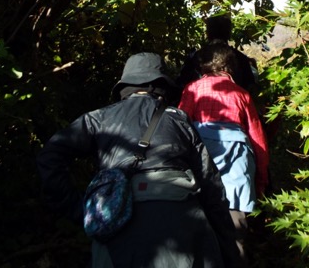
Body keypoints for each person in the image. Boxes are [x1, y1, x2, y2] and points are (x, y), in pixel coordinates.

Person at [37, 52, 241, 268]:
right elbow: (211, 186)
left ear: (125, 85)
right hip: (182, 219)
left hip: (116, 224)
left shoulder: (98, 118)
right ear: (162, 86)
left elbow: (50, 155)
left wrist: (79, 210)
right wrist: (228, 250)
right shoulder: (178, 120)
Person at [178, 42, 269, 265]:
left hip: (200, 171)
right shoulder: (242, 95)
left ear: (202, 65)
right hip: (236, 174)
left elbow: (179, 127)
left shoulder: (192, 90)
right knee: (235, 236)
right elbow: (258, 140)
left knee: (200, 232)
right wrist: (261, 179)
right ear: (231, 67)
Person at [177, 14, 258, 94]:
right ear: (229, 33)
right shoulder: (241, 59)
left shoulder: (195, 57)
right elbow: (250, 88)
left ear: (208, 32)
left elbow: (181, 85)